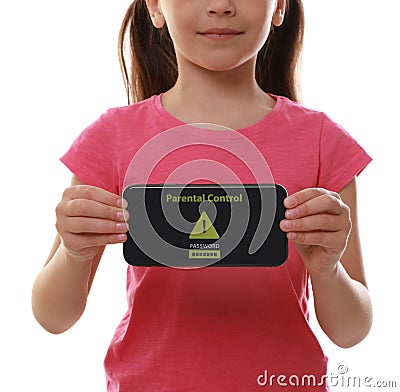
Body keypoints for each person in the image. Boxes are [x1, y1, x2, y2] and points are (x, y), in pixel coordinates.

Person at [31, 0, 373, 391]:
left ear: (278, 7)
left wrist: (326, 268)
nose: (220, 6)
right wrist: (75, 253)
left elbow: (352, 331)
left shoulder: (322, 141)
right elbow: (52, 316)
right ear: (156, 8)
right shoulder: (111, 136)